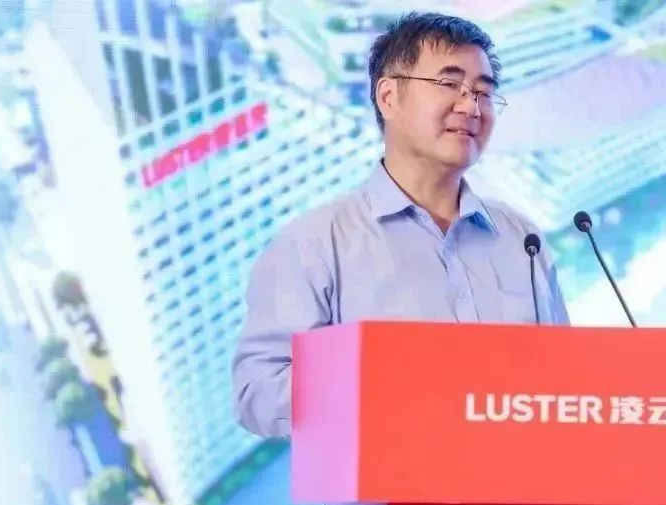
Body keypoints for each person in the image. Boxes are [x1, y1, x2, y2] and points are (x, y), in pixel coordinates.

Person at [232, 11, 570, 441]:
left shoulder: (522, 238)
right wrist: (381, 383)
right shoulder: (315, 244)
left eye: (484, 93)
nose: (471, 106)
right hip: (392, 481)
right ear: (388, 96)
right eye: (449, 84)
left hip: (521, 478)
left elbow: (565, 382)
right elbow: (258, 394)